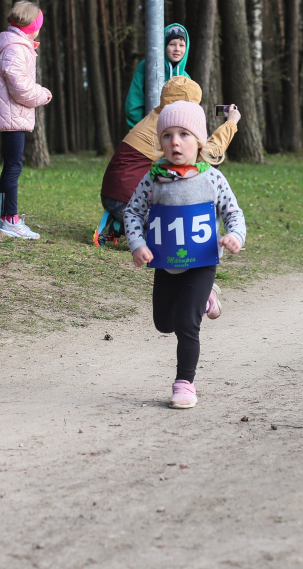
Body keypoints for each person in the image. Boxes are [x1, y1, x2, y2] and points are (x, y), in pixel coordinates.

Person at [124, 100, 246, 410]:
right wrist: (138, 244)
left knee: (187, 323)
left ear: (200, 141)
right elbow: (133, 212)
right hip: (166, 263)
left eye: (184, 134)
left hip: (202, 260)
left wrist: (234, 236)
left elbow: (233, 213)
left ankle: (184, 384)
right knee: (165, 323)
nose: (175, 141)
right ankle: (208, 299)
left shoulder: (212, 178)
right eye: (167, 135)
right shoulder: (154, 179)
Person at [97, 76, 239, 246]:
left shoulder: (158, 118)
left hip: (115, 194)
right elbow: (208, 155)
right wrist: (231, 123)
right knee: (179, 231)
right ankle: (118, 226)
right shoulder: (174, 125)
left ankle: (118, 221)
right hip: (126, 199)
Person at [0, 0, 52, 239]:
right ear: (32, 26)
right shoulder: (16, 48)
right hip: (13, 115)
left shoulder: (16, 45)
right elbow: (20, 87)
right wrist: (43, 94)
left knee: (12, 166)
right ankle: (9, 219)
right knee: (13, 167)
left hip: (13, 115)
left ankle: (6, 217)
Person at [124, 23, 190, 130]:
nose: (177, 49)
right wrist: (140, 131)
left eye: (181, 45)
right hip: (146, 134)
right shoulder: (146, 67)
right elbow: (133, 104)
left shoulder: (186, 78)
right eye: (172, 44)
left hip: (174, 140)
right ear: (163, 45)